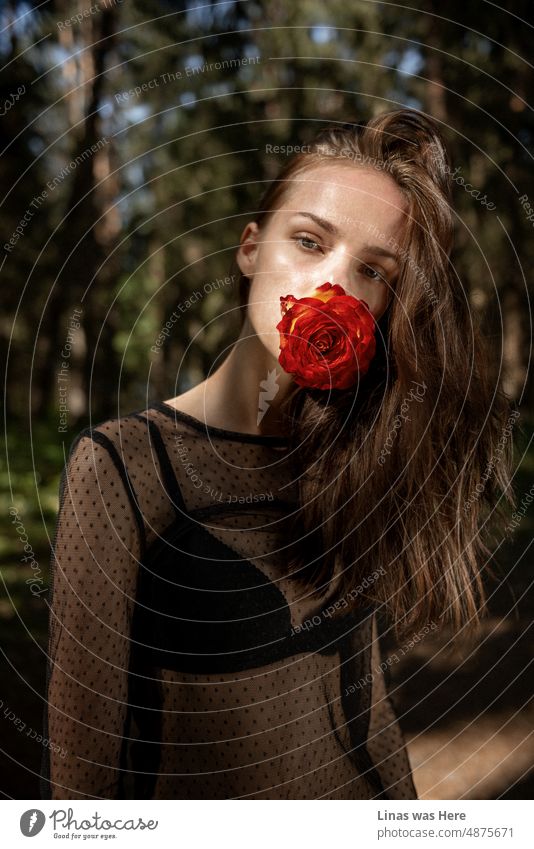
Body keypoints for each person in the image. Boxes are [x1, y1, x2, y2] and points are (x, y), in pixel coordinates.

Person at [40, 108, 515, 800]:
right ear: (249, 248)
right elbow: (81, 774)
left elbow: (367, 711)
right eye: (309, 240)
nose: (336, 285)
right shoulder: (121, 465)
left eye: (374, 270)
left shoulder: (353, 459)